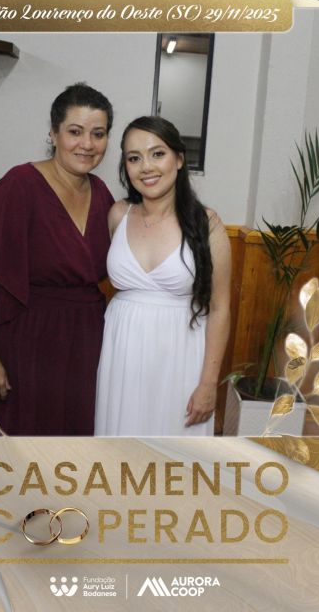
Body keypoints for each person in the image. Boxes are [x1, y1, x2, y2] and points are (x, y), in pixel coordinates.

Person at [0, 83, 114, 435]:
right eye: (75, 131)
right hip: (27, 340)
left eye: (98, 134)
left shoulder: (102, 193)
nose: (87, 144)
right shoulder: (20, 184)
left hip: (85, 342)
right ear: (54, 133)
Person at [95, 116, 231, 436]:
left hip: (181, 356)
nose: (146, 167)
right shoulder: (118, 215)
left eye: (157, 154)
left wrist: (208, 384)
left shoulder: (206, 224)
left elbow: (220, 308)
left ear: (179, 159)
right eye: (134, 158)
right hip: (122, 354)